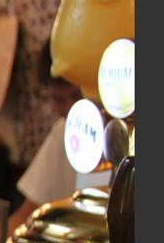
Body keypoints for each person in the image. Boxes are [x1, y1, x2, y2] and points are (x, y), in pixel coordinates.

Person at [7, 40, 118, 232]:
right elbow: (25, 217)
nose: (70, 109)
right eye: (58, 100)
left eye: (77, 96)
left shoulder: (121, 134)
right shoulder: (64, 130)